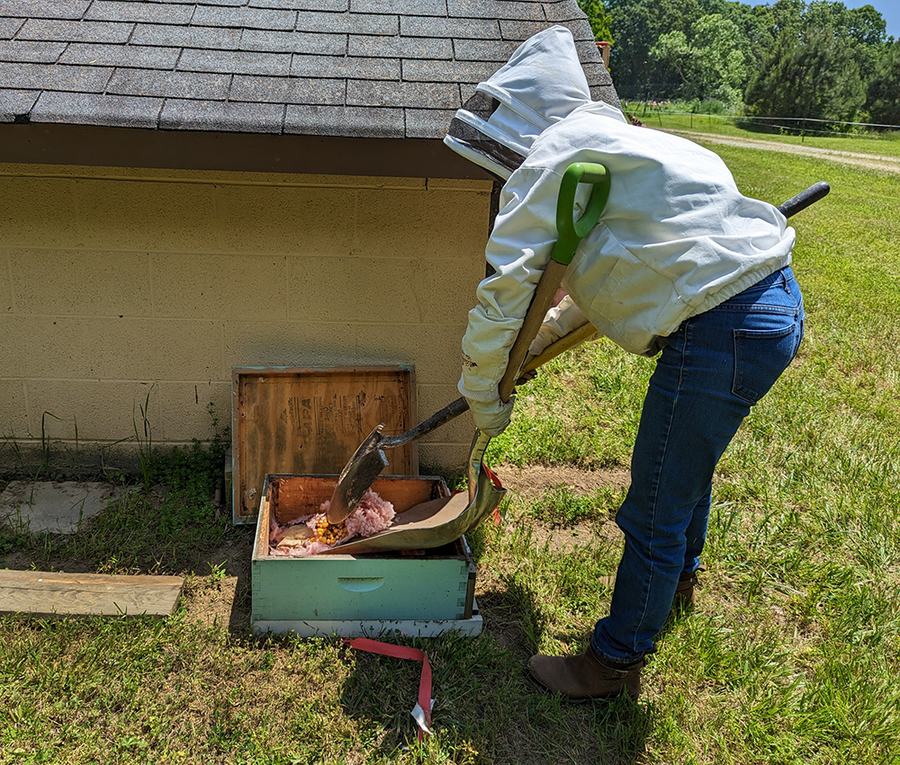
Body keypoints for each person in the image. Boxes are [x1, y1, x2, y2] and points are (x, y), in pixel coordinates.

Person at [443, 26, 804, 700]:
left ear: (521, 118)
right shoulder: (630, 142)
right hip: (767, 307)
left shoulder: (552, 159)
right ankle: (679, 583)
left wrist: (483, 392)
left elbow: (501, 294)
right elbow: (627, 274)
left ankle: (611, 663)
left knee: (655, 501)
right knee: (684, 470)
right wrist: (538, 343)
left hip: (720, 327)